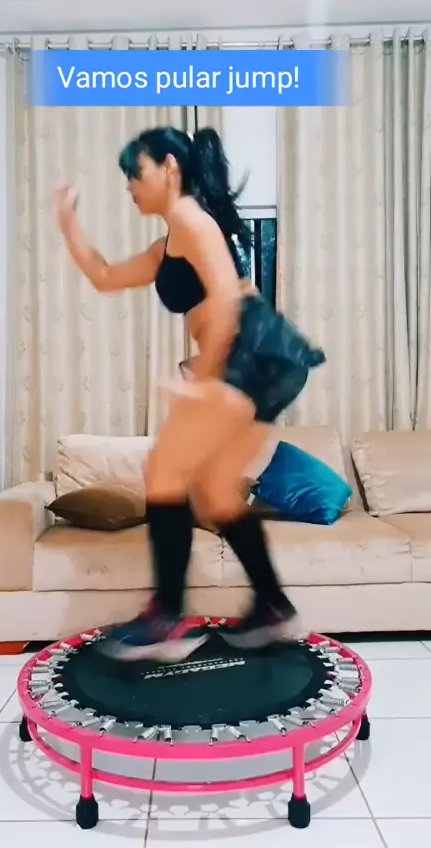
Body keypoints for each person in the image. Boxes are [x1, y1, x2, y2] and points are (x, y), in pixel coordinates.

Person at [54, 126, 325, 663]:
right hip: (268, 361)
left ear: (170, 168)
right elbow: (105, 276)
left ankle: (166, 617)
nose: (130, 185)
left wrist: (202, 378)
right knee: (219, 494)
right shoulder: (169, 243)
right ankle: (273, 605)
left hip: (247, 355)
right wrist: (69, 225)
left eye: (136, 172)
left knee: (165, 471)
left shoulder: (191, 218)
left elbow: (225, 298)